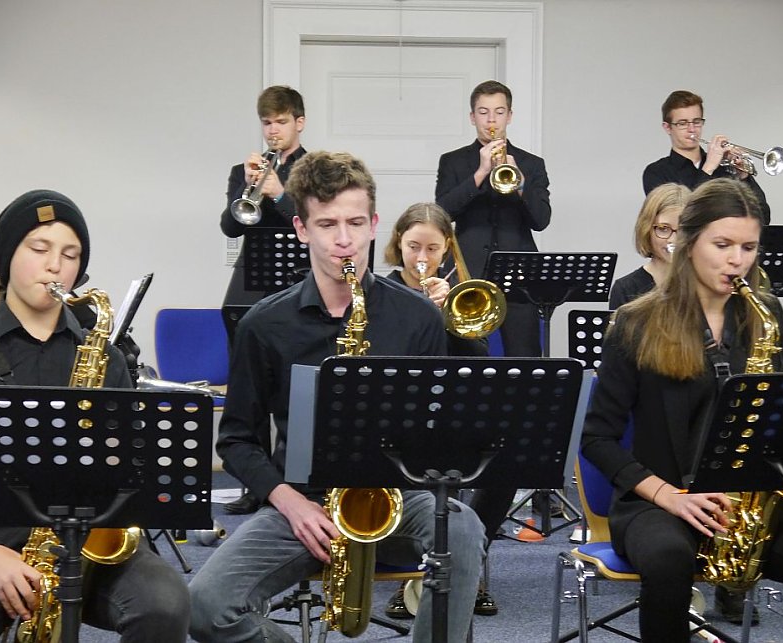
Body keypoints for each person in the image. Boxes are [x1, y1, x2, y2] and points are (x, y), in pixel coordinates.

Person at [188, 152, 486, 643]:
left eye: (353, 222)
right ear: (302, 229)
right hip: (301, 502)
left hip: (399, 495)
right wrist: (288, 502)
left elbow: (438, 432)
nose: (343, 239)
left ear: (373, 225)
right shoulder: (264, 323)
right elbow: (238, 440)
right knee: (203, 608)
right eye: (327, 224)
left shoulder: (419, 318)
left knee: (464, 528)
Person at [581, 178, 783, 643]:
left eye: (748, 246)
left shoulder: (765, 316)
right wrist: (670, 496)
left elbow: (773, 421)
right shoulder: (636, 321)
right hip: (656, 502)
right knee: (668, 558)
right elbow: (596, 438)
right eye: (722, 244)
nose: (737, 259)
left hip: (743, 504)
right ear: (688, 241)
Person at [0, 189, 190, 642]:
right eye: (39, 249)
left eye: (70, 255)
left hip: (84, 539)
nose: (56, 265)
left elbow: (130, 469)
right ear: (6, 257)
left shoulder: (105, 358)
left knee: (165, 603)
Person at [380, 202, 511, 618]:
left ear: (447, 249)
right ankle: (411, 581)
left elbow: (478, 359)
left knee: (504, 465)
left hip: (451, 409)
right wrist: (419, 316)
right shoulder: (380, 293)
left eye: (433, 249)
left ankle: (470, 568)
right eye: (413, 246)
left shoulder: (458, 291)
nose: (422, 258)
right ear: (397, 242)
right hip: (398, 417)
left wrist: (446, 319)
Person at [219, 85, 307, 515]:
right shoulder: (246, 168)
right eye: (267, 123)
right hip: (250, 286)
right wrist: (250, 185)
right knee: (248, 390)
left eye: (281, 121)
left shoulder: (314, 169)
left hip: (297, 281)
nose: (273, 130)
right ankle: (253, 485)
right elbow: (230, 227)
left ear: (299, 123)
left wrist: (276, 191)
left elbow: (310, 221)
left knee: (292, 387)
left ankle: (294, 479)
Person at [436, 79, 552, 358]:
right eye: (483, 112)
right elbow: (442, 213)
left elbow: (541, 220)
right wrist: (480, 173)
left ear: (509, 116)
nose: (491, 119)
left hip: (520, 275)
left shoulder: (532, 163)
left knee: (525, 360)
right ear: (472, 117)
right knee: (466, 357)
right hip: (468, 273)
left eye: (499, 112)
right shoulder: (452, 161)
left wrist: (520, 182)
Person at [642, 89, 770, 224]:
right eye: (683, 123)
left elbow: (763, 217)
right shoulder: (656, 172)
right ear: (667, 128)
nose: (692, 129)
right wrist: (708, 168)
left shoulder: (724, 169)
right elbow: (683, 220)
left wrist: (744, 177)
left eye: (696, 121)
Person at [608, 184, 691, 310]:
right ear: (646, 229)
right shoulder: (626, 289)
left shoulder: (704, 284)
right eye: (663, 229)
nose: (673, 239)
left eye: (683, 229)